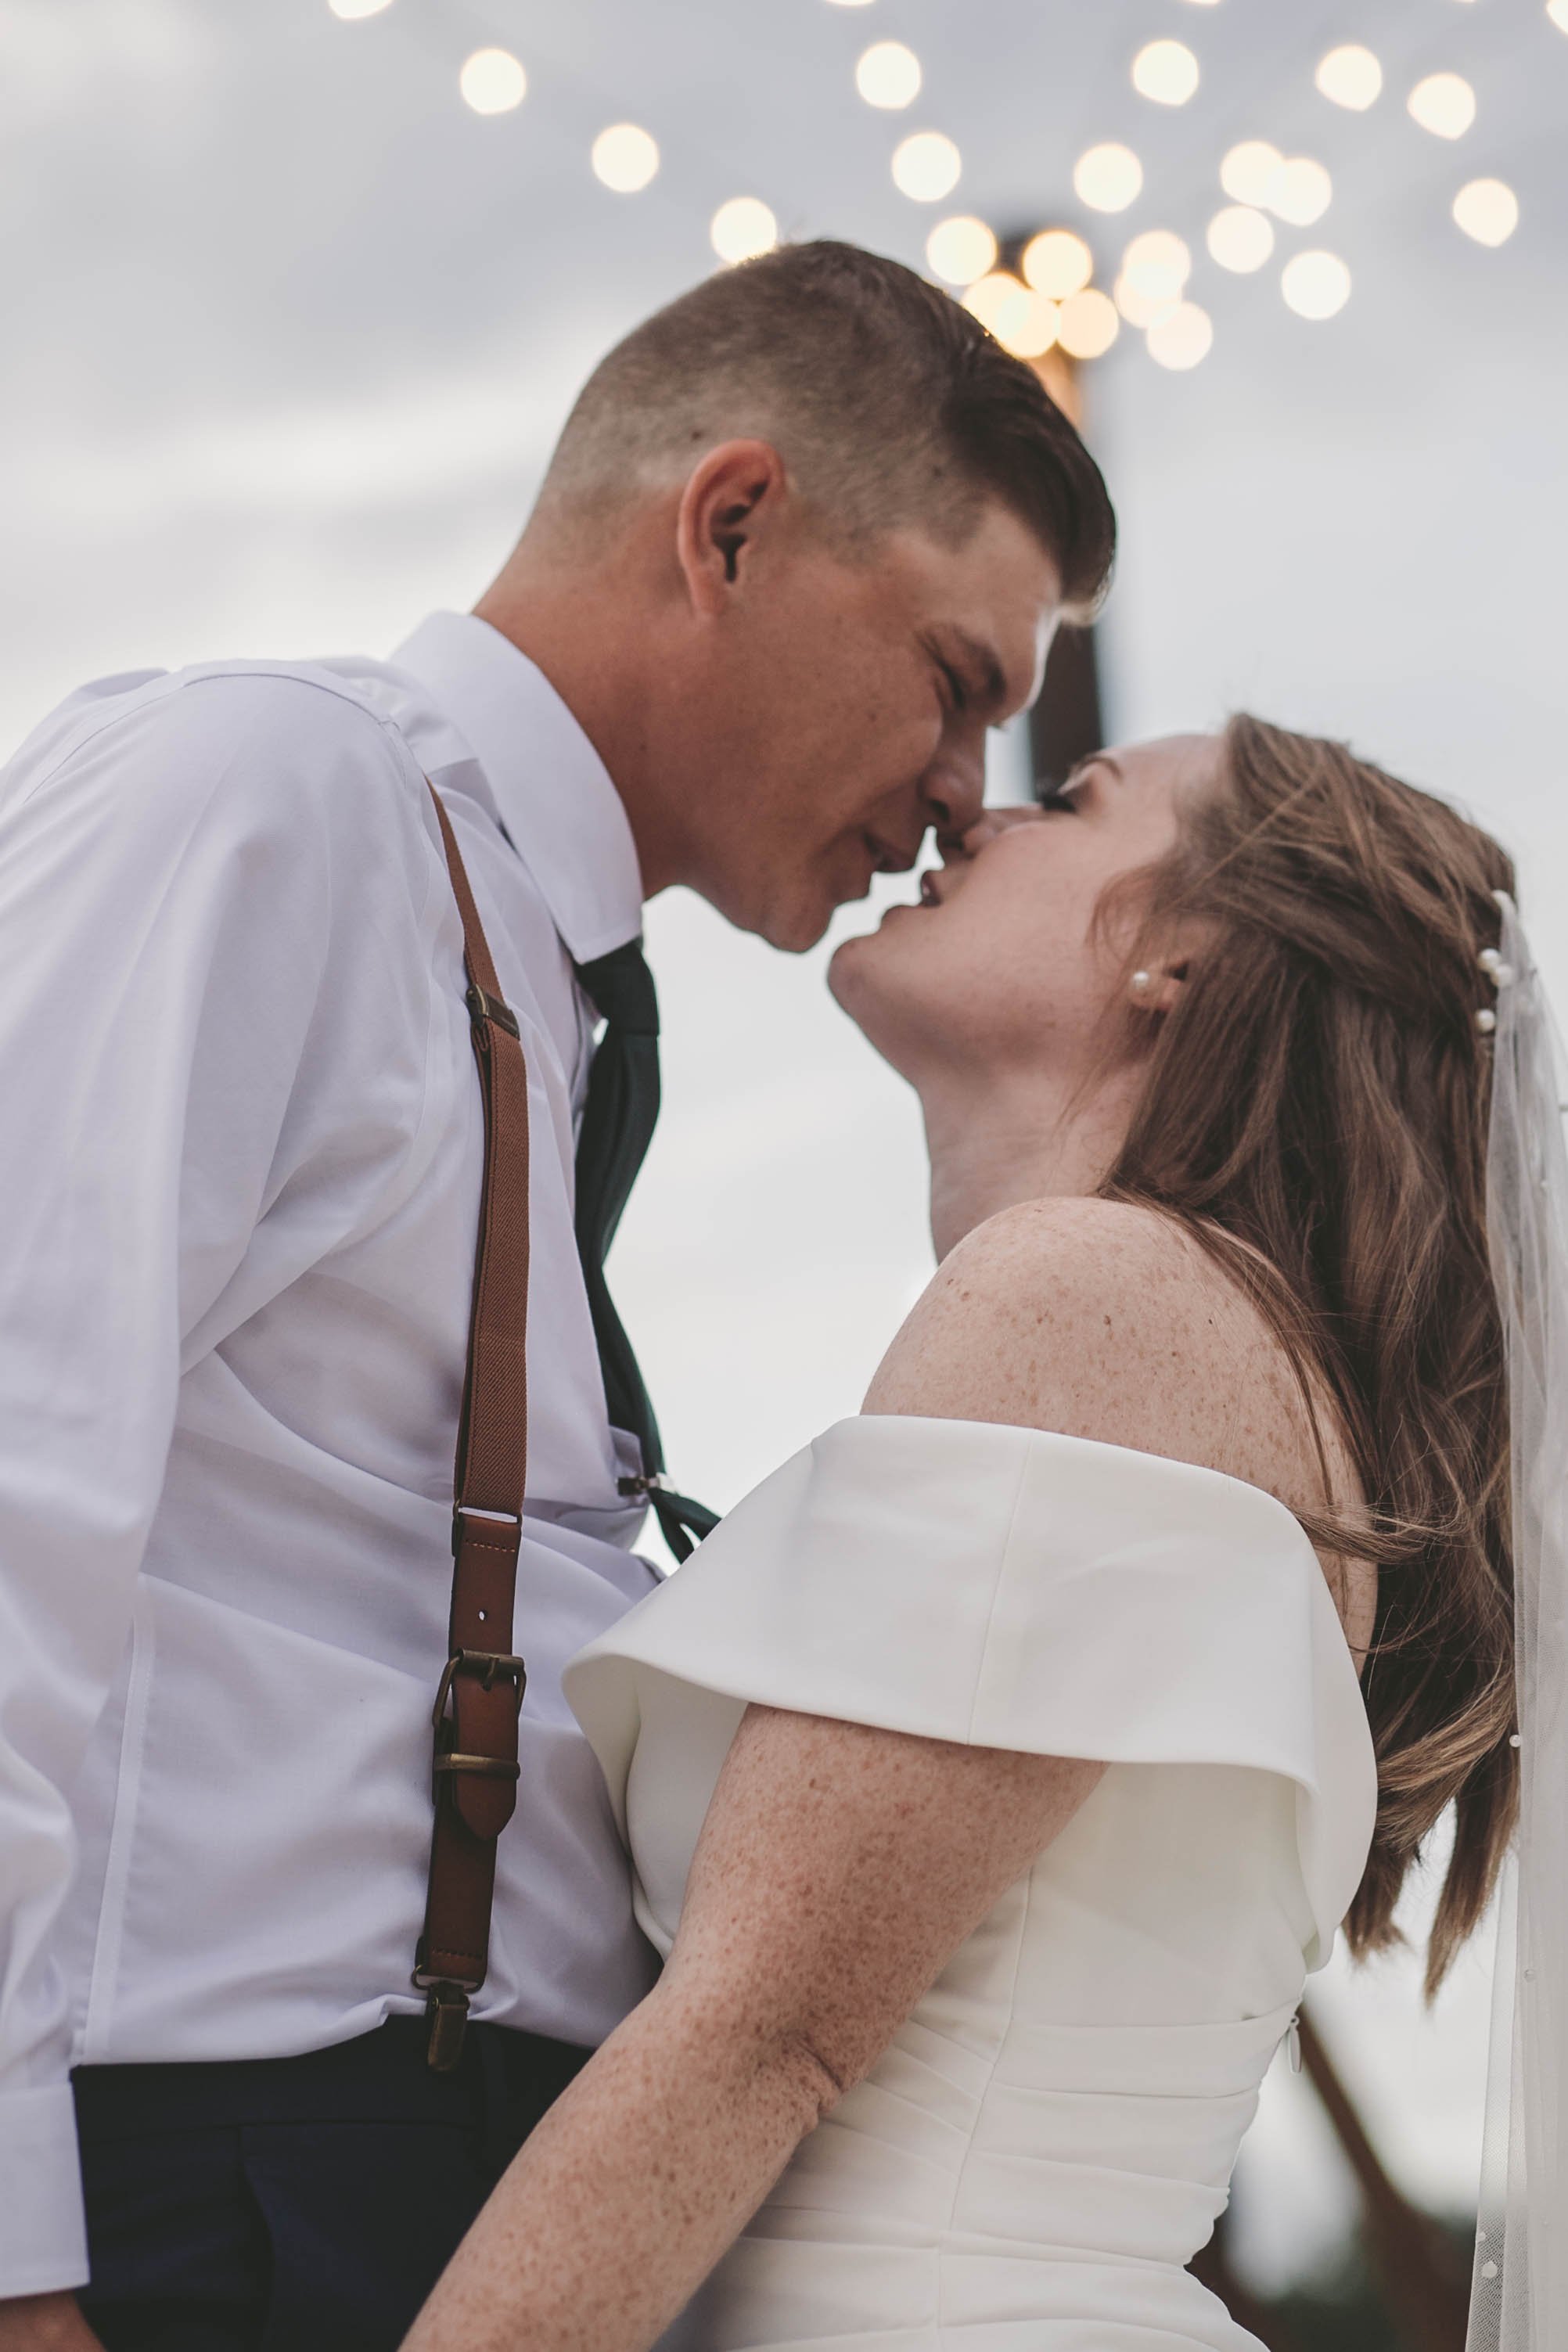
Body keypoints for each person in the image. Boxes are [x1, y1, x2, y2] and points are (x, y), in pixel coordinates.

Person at [0, 242, 1114, 2352]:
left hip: (416, 2200)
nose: (970, 786)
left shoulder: (563, 991)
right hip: (192, 2208)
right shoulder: (268, 795)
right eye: (959, 680)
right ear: (729, 522)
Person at [405, 717, 1520, 2352]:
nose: (970, 816)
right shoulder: (1223, 1358)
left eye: (1073, 799)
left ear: (1184, 957)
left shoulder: (1094, 1298)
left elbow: (761, 2037)